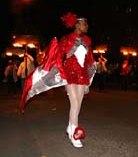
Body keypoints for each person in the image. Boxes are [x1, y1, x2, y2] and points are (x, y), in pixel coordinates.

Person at [20, 12, 96, 148]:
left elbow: (89, 57)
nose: (87, 26)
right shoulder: (66, 39)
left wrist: (93, 67)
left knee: (78, 103)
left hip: (82, 74)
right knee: (74, 102)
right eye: (85, 24)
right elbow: (58, 56)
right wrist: (53, 67)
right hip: (70, 73)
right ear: (77, 25)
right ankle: (74, 133)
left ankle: (70, 127)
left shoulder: (88, 40)